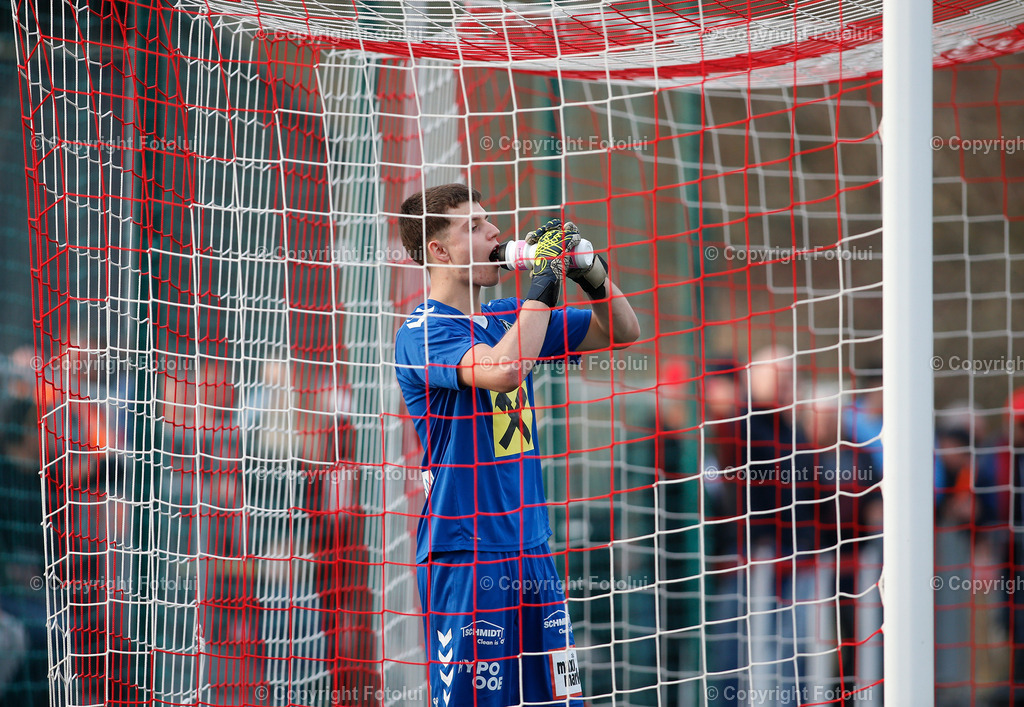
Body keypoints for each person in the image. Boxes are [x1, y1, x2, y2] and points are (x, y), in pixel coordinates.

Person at [394, 183, 640, 707]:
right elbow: (504, 368)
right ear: (439, 251)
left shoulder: (508, 314)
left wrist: (588, 273)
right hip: (469, 556)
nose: (495, 232)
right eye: (475, 226)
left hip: (532, 551)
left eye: (490, 221)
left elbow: (622, 331)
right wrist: (543, 287)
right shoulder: (421, 331)